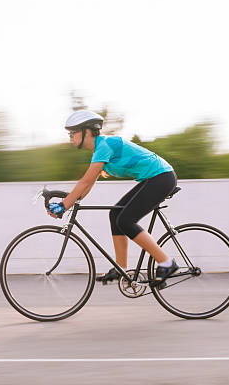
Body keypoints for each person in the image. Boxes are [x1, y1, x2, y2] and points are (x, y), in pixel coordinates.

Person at [46, 109, 179, 287]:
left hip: (161, 177)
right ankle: (121, 268)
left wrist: (64, 205)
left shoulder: (104, 146)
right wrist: (72, 201)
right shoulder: (100, 150)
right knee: (115, 215)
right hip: (154, 177)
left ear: (87, 131)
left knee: (126, 220)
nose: (70, 137)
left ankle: (167, 263)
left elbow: (85, 182)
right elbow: (89, 183)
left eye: (73, 132)